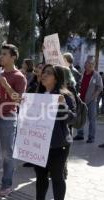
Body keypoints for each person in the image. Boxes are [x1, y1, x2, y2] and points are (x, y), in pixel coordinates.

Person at [0, 44, 27, 197]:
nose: (1, 56)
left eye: (4, 54)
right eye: (1, 54)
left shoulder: (19, 77)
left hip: (8, 118)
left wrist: (5, 84)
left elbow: (18, 100)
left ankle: (7, 185)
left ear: (13, 57)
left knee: (7, 154)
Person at [34, 64, 76, 200]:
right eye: (43, 72)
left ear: (57, 79)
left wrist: (62, 105)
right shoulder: (36, 94)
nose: (43, 75)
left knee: (57, 178)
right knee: (40, 177)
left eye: (48, 73)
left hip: (58, 146)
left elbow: (71, 119)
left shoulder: (65, 96)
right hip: (39, 143)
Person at [73, 57, 103, 143]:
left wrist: (94, 96)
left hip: (91, 101)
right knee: (80, 118)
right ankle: (80, 134)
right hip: (81, 100)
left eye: (92, 64)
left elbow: (100, 87)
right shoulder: (82, 74)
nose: (90, 65)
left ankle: (91, 137)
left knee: (92, 119)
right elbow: (79, 85)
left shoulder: (96, 75)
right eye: (88, 63)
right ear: (85, 65)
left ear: (94, 66)